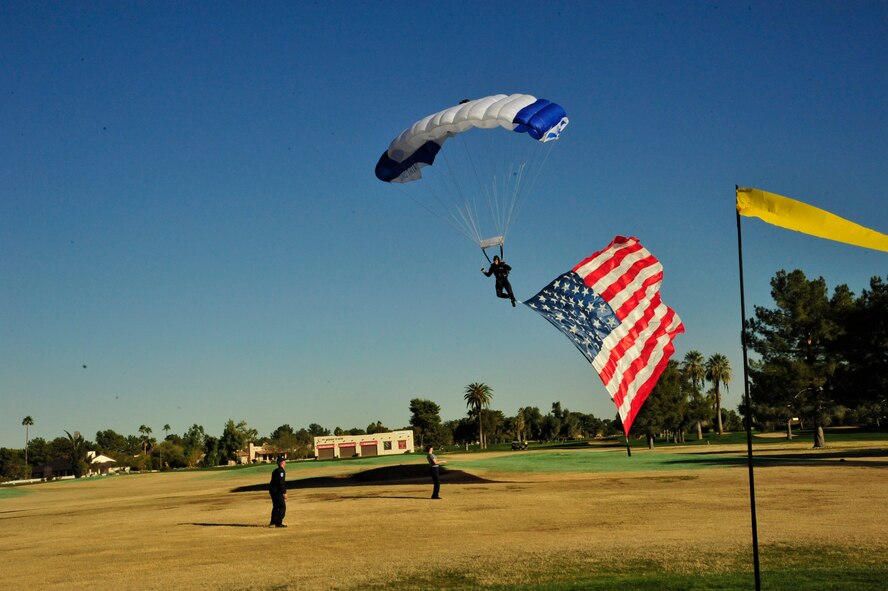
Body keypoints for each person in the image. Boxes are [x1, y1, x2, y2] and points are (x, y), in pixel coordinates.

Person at [268, 456, 288, 528]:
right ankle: (278, 522)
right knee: (282, 507)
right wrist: (284, 492)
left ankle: (273, 522)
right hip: (277, 491)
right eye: (284, 461)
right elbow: (281, 482)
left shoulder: (275, 471)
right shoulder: (281, 471)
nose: (285, 463)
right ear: (281, 463)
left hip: (272, 491)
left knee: (276, 507)